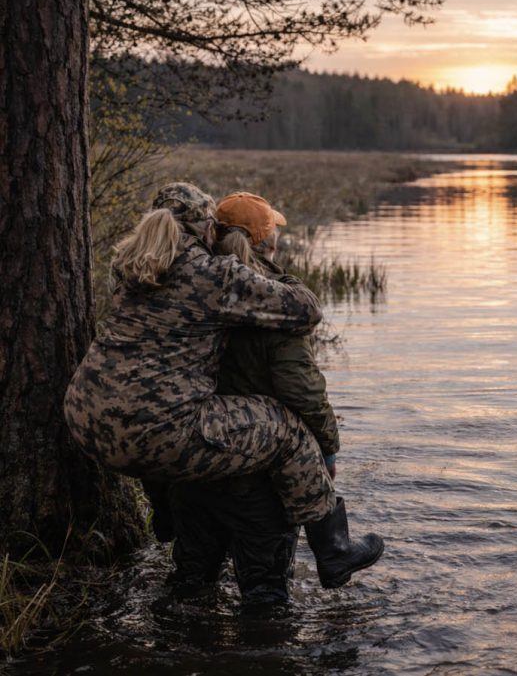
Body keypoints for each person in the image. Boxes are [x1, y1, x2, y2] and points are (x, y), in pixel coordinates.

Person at [64, 183, 382, 588]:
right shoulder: (212, 274)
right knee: (288, 431)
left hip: (86, 422)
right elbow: (306, 311)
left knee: (191, 569)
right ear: (204, 228)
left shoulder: (131, 269)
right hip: (159, 433)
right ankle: (334, 550)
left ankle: (165, 520)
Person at [167, 192, 383, 600]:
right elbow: (299, 385)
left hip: (190, 460)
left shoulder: (188, 284)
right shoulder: (275, 298)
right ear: (266, 242)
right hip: (257, 476)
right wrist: (327, 447)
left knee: (189, 583)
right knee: (265, 595)